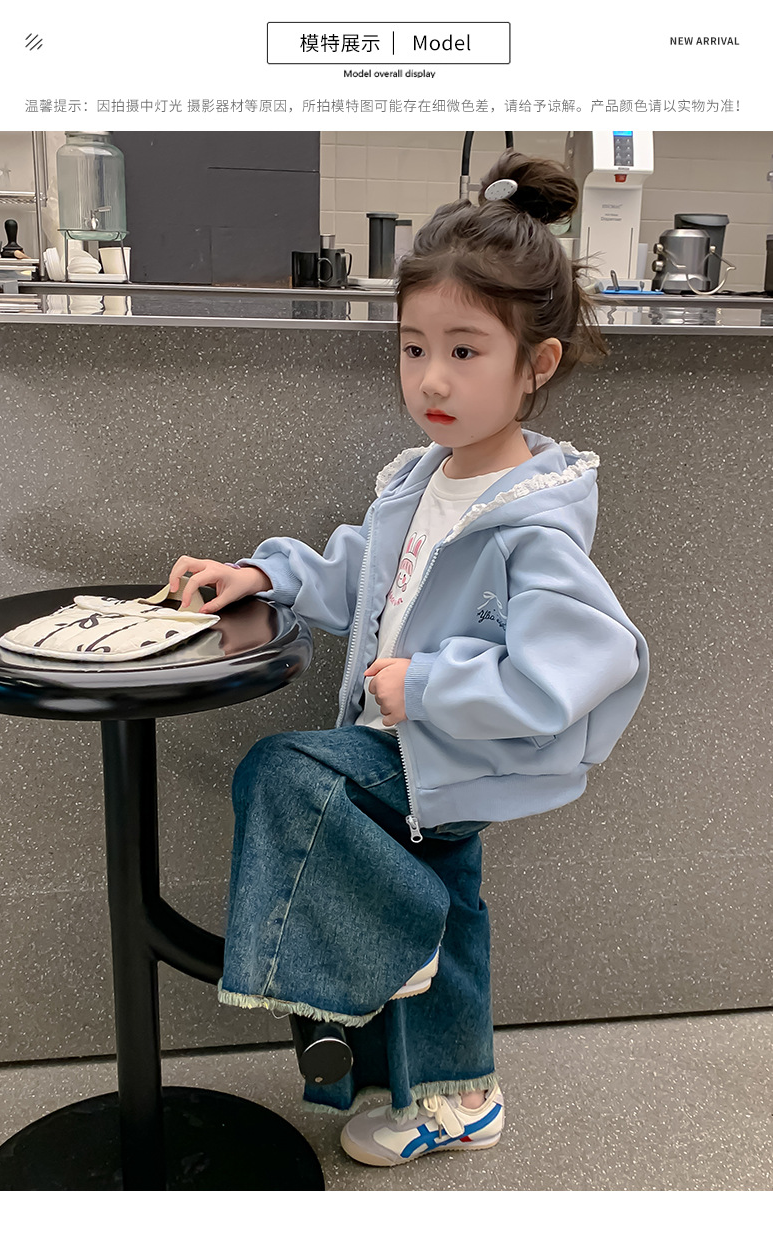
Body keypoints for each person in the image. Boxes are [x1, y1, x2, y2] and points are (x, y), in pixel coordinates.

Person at [168, 149, 650, 1168]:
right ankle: (440, 1089)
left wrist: (428, 684)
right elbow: (362, 576)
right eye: (413, 346)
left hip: (446, 758)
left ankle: (412, 977)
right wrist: (262, 573)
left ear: (537, 365)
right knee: (435, 897)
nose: (431, 378)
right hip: (406, 750)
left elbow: (572, 669)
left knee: (287, 774)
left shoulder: (533, 522)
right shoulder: (426, 478)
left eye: (466, 352)